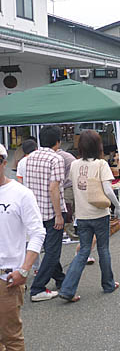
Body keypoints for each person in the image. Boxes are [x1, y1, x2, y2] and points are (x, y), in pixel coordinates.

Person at [59, 130, 120, 302]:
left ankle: (67, 288)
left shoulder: (74, 165)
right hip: (100, 214)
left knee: (83, 251)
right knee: (103, 249)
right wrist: (117, 207)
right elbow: (108, 190)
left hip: (82, 215)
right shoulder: (101, 164)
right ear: (98, 146)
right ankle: (108, 284)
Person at [0, 143, 45, 350]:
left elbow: (37, 232)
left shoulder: (20, 194)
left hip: (7, 277)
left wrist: (24, 269)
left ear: (3, 163)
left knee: (11, 337)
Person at [24, 126, 67, 302]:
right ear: (58, 141)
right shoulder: (56, 159)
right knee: (53, 251)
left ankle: (60, 278)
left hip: (34, 210)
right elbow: (54, 188)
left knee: (49, 248)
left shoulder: (29, 158)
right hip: (50, 210)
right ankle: (37, 288)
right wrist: (58, 214)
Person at [56, 148, 78, 242]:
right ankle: (72, 233)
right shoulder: (64, 155)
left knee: (68, 210)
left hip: (68, 186)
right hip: (72, 184)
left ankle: (72, 235)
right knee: (71, 210)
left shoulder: (58, 157)